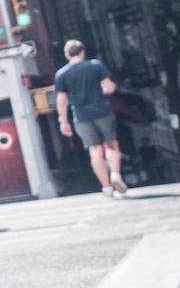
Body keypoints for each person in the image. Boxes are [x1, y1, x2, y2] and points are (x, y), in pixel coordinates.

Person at [54, 39, 126, 196]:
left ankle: (106, 187)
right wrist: (105, 91)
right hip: (102, 112)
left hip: (81, 117)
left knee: (94, 150)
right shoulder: (95, 65)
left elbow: (61, 99)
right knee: (111, 144)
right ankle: (115, 174)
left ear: (67, 55)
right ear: (82, 52)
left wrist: (63, 120)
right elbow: (110, 87)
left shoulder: (61, 74)